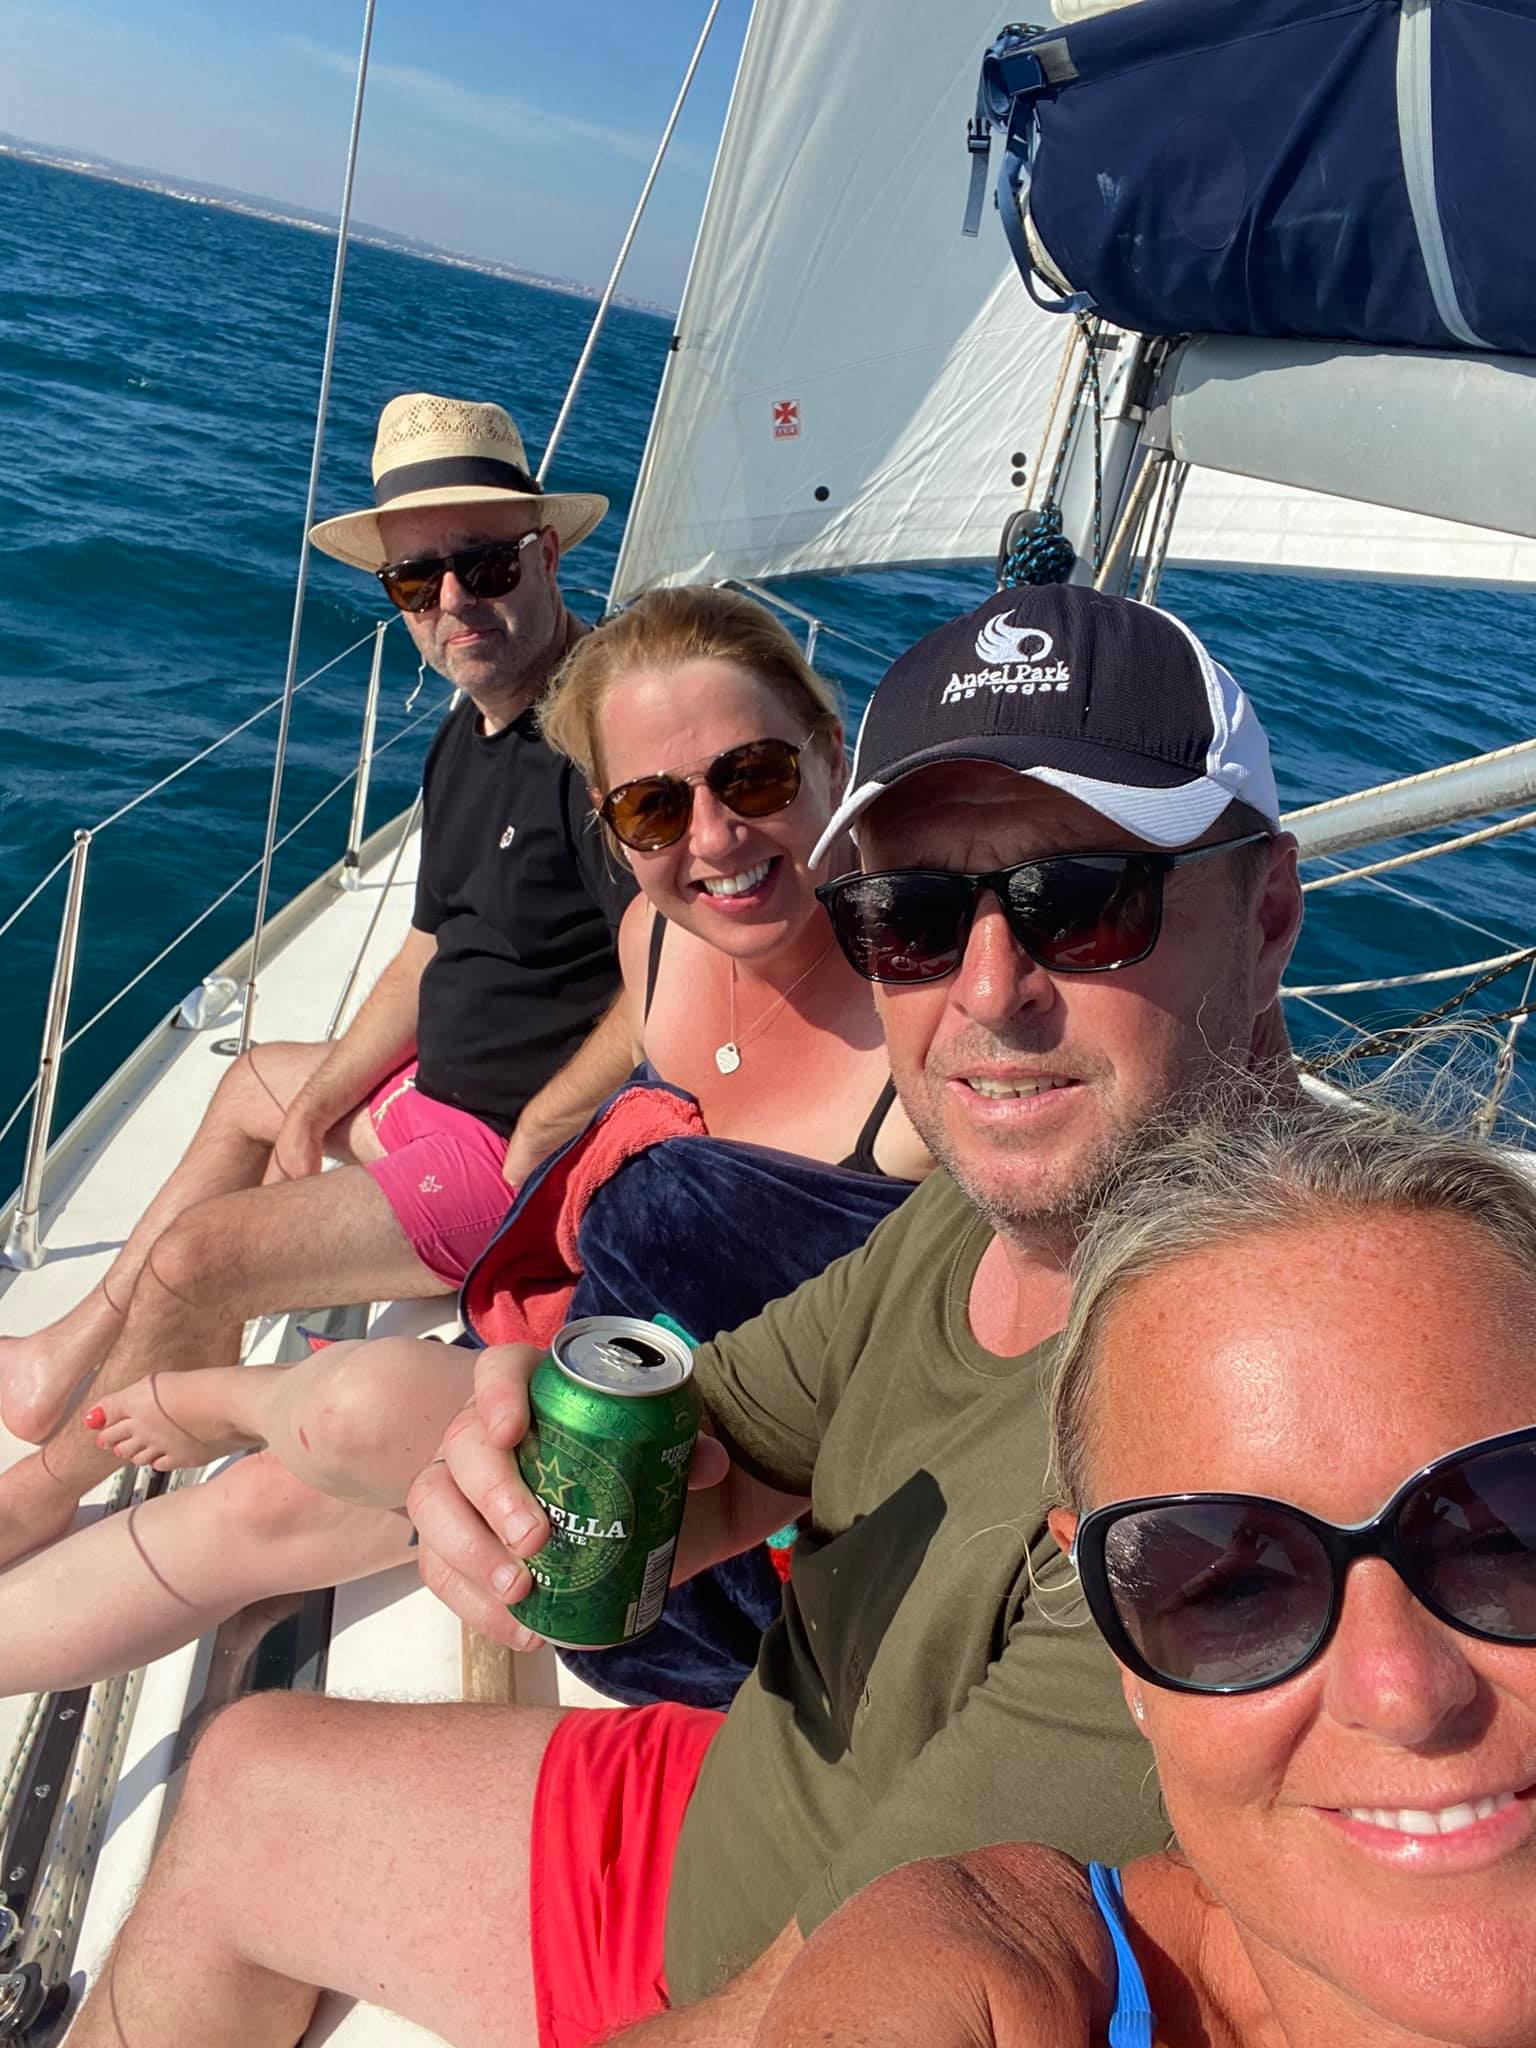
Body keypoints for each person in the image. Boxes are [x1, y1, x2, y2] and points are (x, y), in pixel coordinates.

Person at [63, 583, 1304, 2048]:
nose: (987, 992)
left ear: (1269, 913)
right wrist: (521, 1473)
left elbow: (834, 2007)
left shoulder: (1251, 1448)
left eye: (1083, 900)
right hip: (752, 1791)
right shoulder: (995, 1206)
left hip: (786, 1964)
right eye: (910, 913)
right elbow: (725, 1438)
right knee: (244, 1771)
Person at [0, 587, 929, 1701]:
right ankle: (91, 1466)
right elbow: (627, 1039)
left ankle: (221, 1402)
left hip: (708, 1528)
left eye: (756, 776)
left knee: (333, 1418)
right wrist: (551, 1121)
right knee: (247, 1510)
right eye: (652, 808)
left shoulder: (930, 1044)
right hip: (564, 1399)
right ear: (611, 825)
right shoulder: (658, 941)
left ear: (831, 755)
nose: (716, 836)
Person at [0, 390, 637, 1568]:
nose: (453, 602)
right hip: (436, 1101)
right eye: (415, 581)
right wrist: (317, 1101)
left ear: (547, 553)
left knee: (201, 1258)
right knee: (254, 1083)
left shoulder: (600, 738)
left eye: (486, 563)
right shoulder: (468, 730)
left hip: (505, 1162)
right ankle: (66, 1355)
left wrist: (548, 1123)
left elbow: (669, 967)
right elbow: (427, 947)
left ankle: (45, 1495)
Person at [754, 1097, 1536, 2048]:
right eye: (1238, 1590)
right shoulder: (1009, 1993)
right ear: (1116, 1638)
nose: (1402, 1693)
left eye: (1507, 1540)